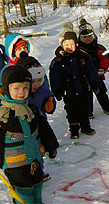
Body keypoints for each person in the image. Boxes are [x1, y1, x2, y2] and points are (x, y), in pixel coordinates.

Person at [0, 65, 59, 203]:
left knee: (37, 185)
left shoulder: (31, 110)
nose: (21, 92)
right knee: (24, 192)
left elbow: (44, 129)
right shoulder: (3, 115)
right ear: (6, 89)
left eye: (25, 88)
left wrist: (51, 146)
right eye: (16, 88)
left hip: (34, 160)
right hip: (15, 166)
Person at [49, 22, 98, 139]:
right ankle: (74, 130)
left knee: (84, 109)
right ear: (61, 44)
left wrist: (94, 83)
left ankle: (86, 127)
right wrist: (57, 90)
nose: (70, 46)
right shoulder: (58, 61)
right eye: (66, 44)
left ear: (76, 43)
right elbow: (54, 77)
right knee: (71, 112)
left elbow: (91, 71)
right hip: (69, 92)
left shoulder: (82, 56)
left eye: (72, 44)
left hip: (82, 89)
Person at [16, 52, 57, 182]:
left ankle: (40, 171)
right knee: (26, 152)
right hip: (23, 129)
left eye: (39, 81)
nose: (36, 85)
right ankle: (27, 173)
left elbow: (49, 102)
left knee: (39, 150)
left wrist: (50, 104)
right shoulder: (19, 94)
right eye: (32, 82)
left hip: (40, 126)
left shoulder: (43, 91)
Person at [78, 18, 109, 118]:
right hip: (84, 78)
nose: (88, 38)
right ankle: (88, 113)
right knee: (87, 96)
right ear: (80, 38)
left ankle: (107, 108)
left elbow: (105, 59)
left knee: (102, 93)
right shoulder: (78, 50)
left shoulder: (99, 48)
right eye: (84, 37)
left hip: (97, 76)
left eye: (90, 36)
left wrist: (102, 68)